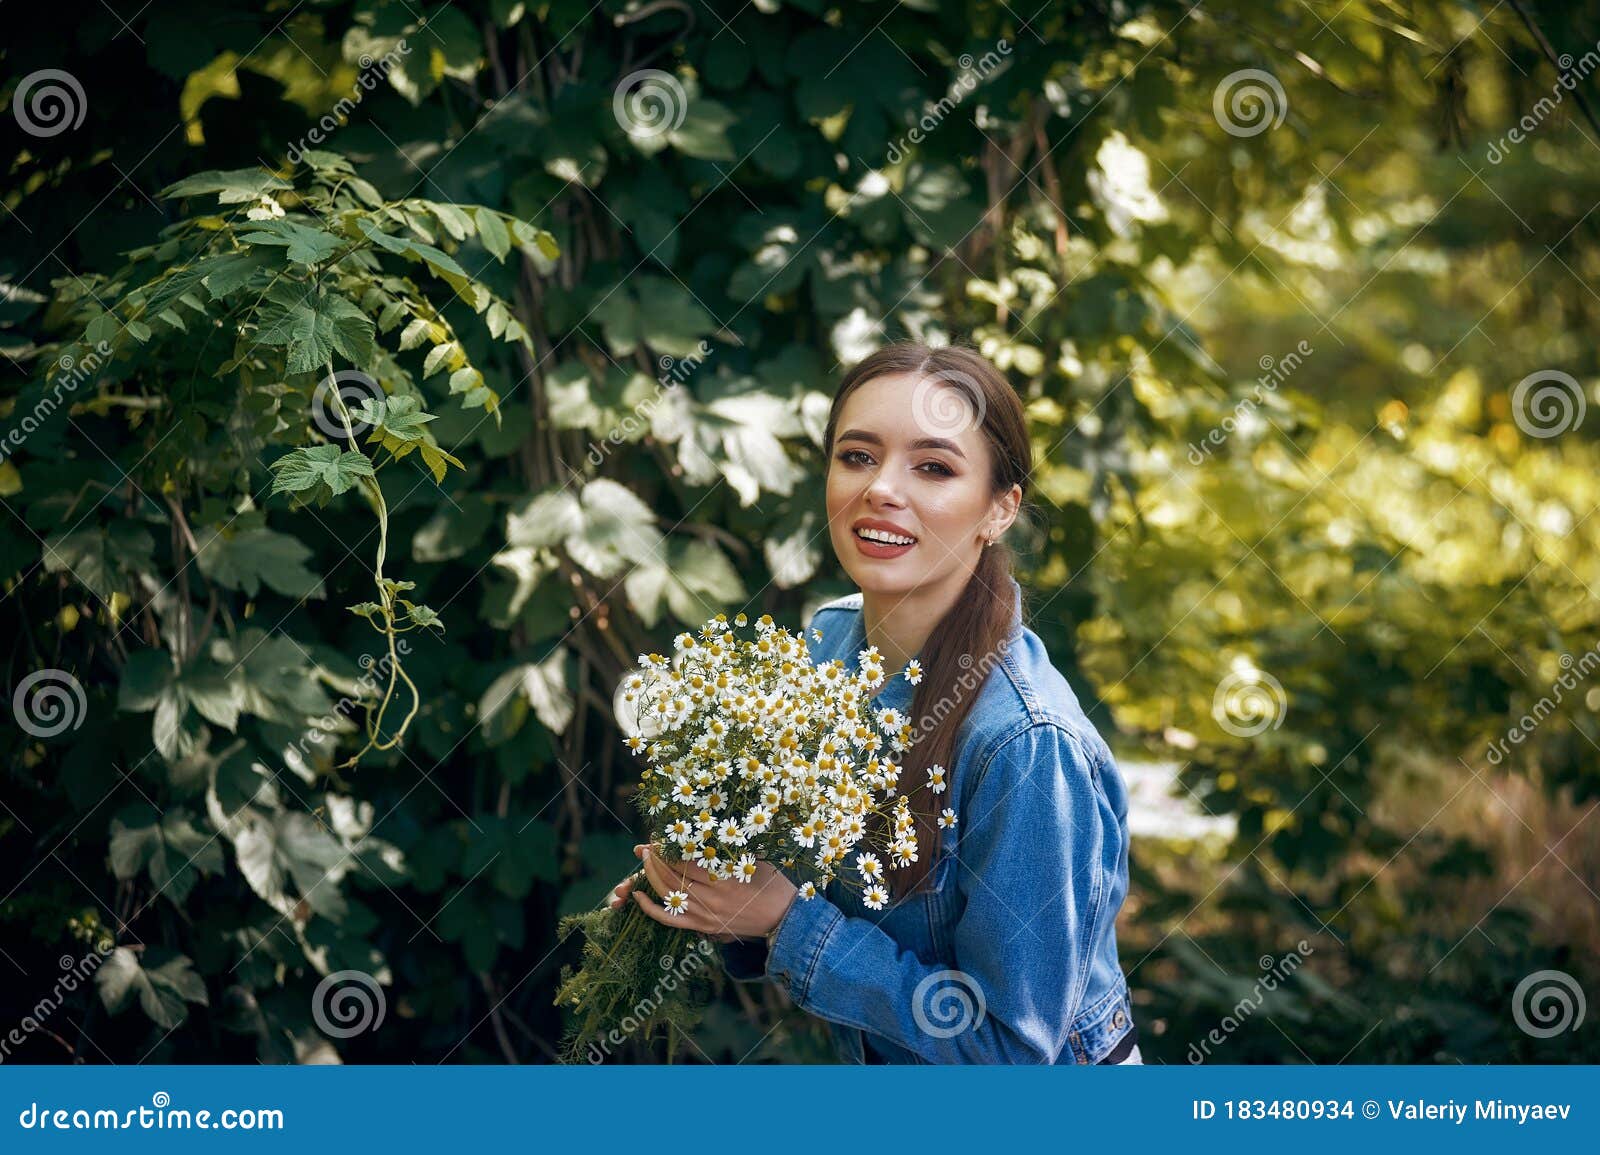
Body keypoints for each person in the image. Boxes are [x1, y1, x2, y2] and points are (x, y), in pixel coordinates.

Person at [608, 341, 1140, 1064]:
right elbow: (813, 879)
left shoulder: (1025, 742)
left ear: (1000, 508)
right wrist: (710, 893)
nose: (882, 488)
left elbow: (1016, 1058)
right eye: (857, 456)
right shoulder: (830, 642)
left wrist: (789, 922)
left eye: (933, 467)